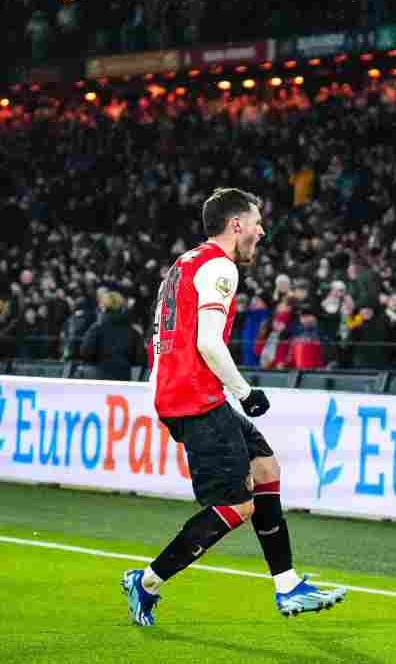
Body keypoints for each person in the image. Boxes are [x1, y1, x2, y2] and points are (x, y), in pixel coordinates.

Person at [121, 188, 346, 627]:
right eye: (257, 222)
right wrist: (245, 391)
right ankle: (145, 582)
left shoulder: (184, 263)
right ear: (236, 224)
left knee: (266, 470)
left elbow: (165, 333)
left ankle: (287, 586)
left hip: (184, 390)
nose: (262, 231)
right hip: (194, 395)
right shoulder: (220, 266)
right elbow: (208, 339)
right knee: (237, 507)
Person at [79, 290, 147, 380]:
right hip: (123, 377)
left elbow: (85, 353)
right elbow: (140, 358)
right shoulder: (133, 331)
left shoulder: (96, 328)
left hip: (98, 378)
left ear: (103, 307)